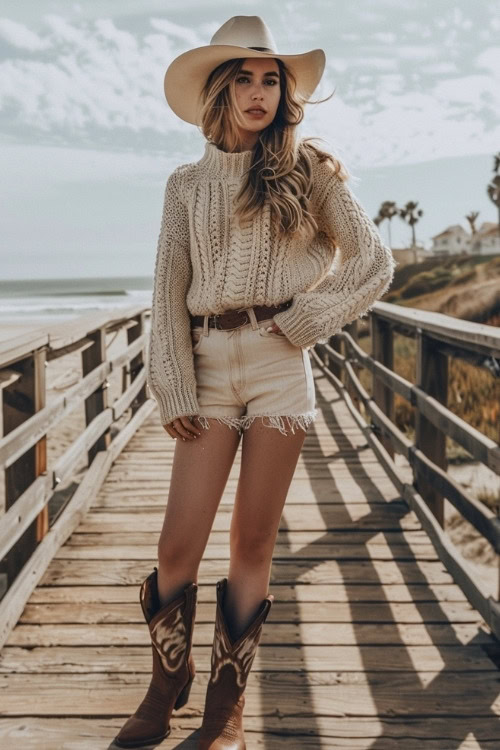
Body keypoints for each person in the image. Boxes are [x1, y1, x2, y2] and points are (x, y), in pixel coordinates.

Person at [114, 14, 396, 750]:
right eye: (243, 77)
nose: (260, 91)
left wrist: (306, 322)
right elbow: (168, 290)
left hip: (279, 367)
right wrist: (171, 382)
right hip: (207, 367)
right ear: (219, 90)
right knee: (178, 548)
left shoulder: (311, 172)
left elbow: (373, 263)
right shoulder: (185, 185)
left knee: (252, 543)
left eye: (271, 79)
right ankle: (164, 679)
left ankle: (224, 709)